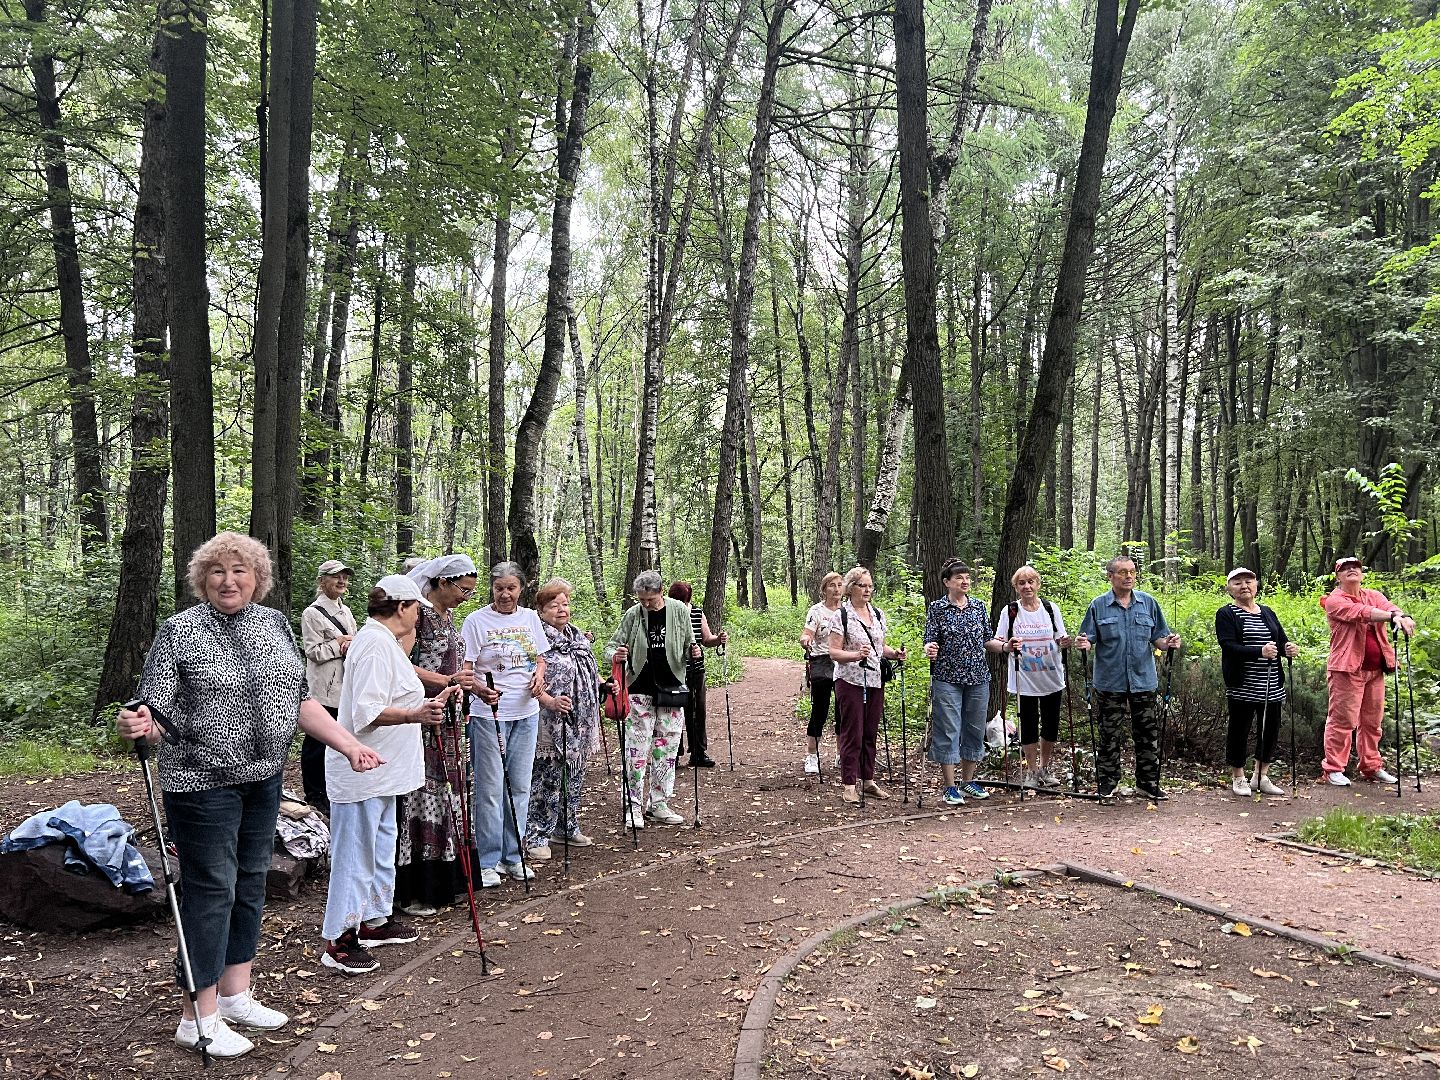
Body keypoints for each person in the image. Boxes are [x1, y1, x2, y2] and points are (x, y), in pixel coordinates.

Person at [115, 532, 381, 1059]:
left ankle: (236, 995)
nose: (228, 580)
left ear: (257, 578)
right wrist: (141, 726)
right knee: (212, 889)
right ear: (201, 579)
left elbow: (299, 701)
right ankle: (198, 1016)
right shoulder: (179, 632)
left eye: (240, 571)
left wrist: (348, 744)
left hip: (264, 778)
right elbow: (156, 715)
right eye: (217, 571)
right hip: (200, 782)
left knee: (250, 882)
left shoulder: (275, 624)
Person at [322, 576, 458, 976]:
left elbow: (401, 697)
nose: (420, 615)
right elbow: (367, 713)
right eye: (417, 608)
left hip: (386, 773)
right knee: (356, 854)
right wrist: (416, 714)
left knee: (381, 847)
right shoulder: (374, 645)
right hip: (362, 771)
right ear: (401, 607)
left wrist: (432, 701)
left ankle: (374, 919)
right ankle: (339, 938)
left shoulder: (387, 645)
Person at [392, 554, 479, 916]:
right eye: (463, 590)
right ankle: (417, 886)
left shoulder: (449, 615)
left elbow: (455, 664)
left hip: (452, 716)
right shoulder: (419, 615)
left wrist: (468, 686)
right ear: (442, 583)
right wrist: (444, 681)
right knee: (426, 793)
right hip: (425, 718)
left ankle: (451, 878)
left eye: (472, 592)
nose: (466, 597)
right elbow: (401, 662)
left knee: (454, 794)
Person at [461, 562, 548, 885]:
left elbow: (540, 657)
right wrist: (479, 690)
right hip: (488, 716)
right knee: (490, 788)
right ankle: (487, 859)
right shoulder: (476, 621)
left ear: (521, 589)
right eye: (499, 588)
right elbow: (466, 669)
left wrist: (539, 676)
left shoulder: (529, 619)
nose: (505, 594)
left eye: (511, 588)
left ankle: (513, 855)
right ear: (492, 589)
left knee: (520, 785)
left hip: (525, 712)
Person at [1075, 555, 1181, 802]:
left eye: (1132, 572)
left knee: (1147, 734)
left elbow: (1160, 640)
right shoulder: (1098, 605)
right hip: (1110, 682)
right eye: (1122, 572)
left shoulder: (1148, 603)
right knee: (1109, 735)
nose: (1128, 576)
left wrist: (1170, 643)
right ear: (1110, 576)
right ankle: (1107, 783)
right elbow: (1087, 639)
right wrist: (1083, 643)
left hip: (1144, 681)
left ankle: (1148, 783)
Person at [605, 570, 700, 827]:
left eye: (650, 599)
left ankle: (659, 803)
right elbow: (611, 646)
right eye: (641, 599)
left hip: (671, 689)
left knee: (667, 749)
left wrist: (694, 651)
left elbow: (690, 644)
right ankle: (633, 806)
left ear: (661, 592)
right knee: (637, 750)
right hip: (639, 689)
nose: (645, 604)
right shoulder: (633, 615)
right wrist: (617, 654)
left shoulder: (679, 610)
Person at [1320, 557, 1414, 786]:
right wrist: (1394, 617)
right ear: (1338, 576)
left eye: (1356, 568)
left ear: (1362, 574)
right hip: (1347, 670)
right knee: (1342, 721)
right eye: (1345, 569)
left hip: (1375, 670)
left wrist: (1401, 615)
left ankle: (1371, 767)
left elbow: (1390, 607)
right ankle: (1333, 769)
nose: (1352, 570)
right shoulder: (1334, 600)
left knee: (1372, 722)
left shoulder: (1374, 594)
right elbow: (1361, 613)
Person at [525, 578, 603, 858]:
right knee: (546, 776)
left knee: (574, 773)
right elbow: (528, 678)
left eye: (565, 604)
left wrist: (603, 684)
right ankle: (536, 834)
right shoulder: (535, 637)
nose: (561, 609)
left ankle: (566, 826)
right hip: (547, 718)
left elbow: (589, 670)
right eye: (554, 605)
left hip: (578, 720)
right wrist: (550, 701)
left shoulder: (577, 637)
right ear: (541, 609)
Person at [923, 559, 1004, 805]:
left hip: (978, 677)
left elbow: (988, 640)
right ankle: (949, 786)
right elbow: (929, 639)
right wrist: (930, 648)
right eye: (959, 577)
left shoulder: (978, 607)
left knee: (975, 729)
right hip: (946, 678)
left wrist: (1006, 646)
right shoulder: (937, 608)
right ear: (947, 582)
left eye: (967, 577)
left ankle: (968, 782)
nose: (965, 581)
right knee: (948, 729)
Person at [1215, 567, 1299, 796]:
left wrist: (1288, 648)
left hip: (1271, 684)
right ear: (1229, 589)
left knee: (1270, 731)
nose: (1244, 586)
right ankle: (1239, 777)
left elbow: (1280, 641)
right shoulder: (1226, 614)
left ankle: (1261, 777)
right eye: (1237, 582)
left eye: (1249, 581)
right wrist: (1259, 652)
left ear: (1256, 585)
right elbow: (1228, 645)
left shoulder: (1267, 612)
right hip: (1242, 684)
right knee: (1239, 730)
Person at [829, 566, 906, 805]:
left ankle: (868, 780)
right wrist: (855, 655)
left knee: (870, 732)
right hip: (849, 680)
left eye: (870, 586)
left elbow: (878, 646)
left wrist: (895, 653)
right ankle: (849, 784)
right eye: (862, 585)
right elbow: (833, 652)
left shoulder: (878, 614)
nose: (867, 590)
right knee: (853, 732)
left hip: (874, 679)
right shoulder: (841, 615)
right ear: (851, 588)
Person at [993, 565, 1072, 790]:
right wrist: (1007, 646)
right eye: (1021, 583)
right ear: (1016, 587)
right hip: (1023, 679)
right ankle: (1031, 770)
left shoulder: (1050, 608)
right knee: (1028, 725)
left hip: (1051, 677)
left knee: (1050, 725)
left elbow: (1060, 636)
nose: (1027, 586)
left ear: (1038, 584)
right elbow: (998, 642)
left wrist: (1064, 642)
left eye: (1030, 582)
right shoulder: (1010, 611)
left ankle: (1045, 769)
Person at [299, 559, 358, 816]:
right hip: (323, 688)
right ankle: (314, 794)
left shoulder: (346, 611)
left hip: (344, 687)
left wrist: (350, 644)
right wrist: (339, 645)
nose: (341, 581)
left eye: (344, 577)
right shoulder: (312, 613)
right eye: (336, 577)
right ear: (322, 581)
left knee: (339, 739)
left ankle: (333, 790)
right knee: (316, 743)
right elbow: (312, 652)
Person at [667, 581, 727, 769]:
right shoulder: (665, 615)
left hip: (695, 670)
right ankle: (673, 754)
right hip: (672, 671)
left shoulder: (696, 613)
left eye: (682, 601)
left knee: (697, 711)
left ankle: (698, 753)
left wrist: (718, 640)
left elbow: (707, 639)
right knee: (673, 711)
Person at [799, 572, 844, 775]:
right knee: (821, 709)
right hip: (821, 661)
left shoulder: (847, 610)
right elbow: (807, 633)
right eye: (832, 585)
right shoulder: (816, 611)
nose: (836, 589)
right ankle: (811, 755)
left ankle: (841, 754)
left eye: (839, 585)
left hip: (844, 661)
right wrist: (805, 640)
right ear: (824, 589)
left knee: (844, 709)